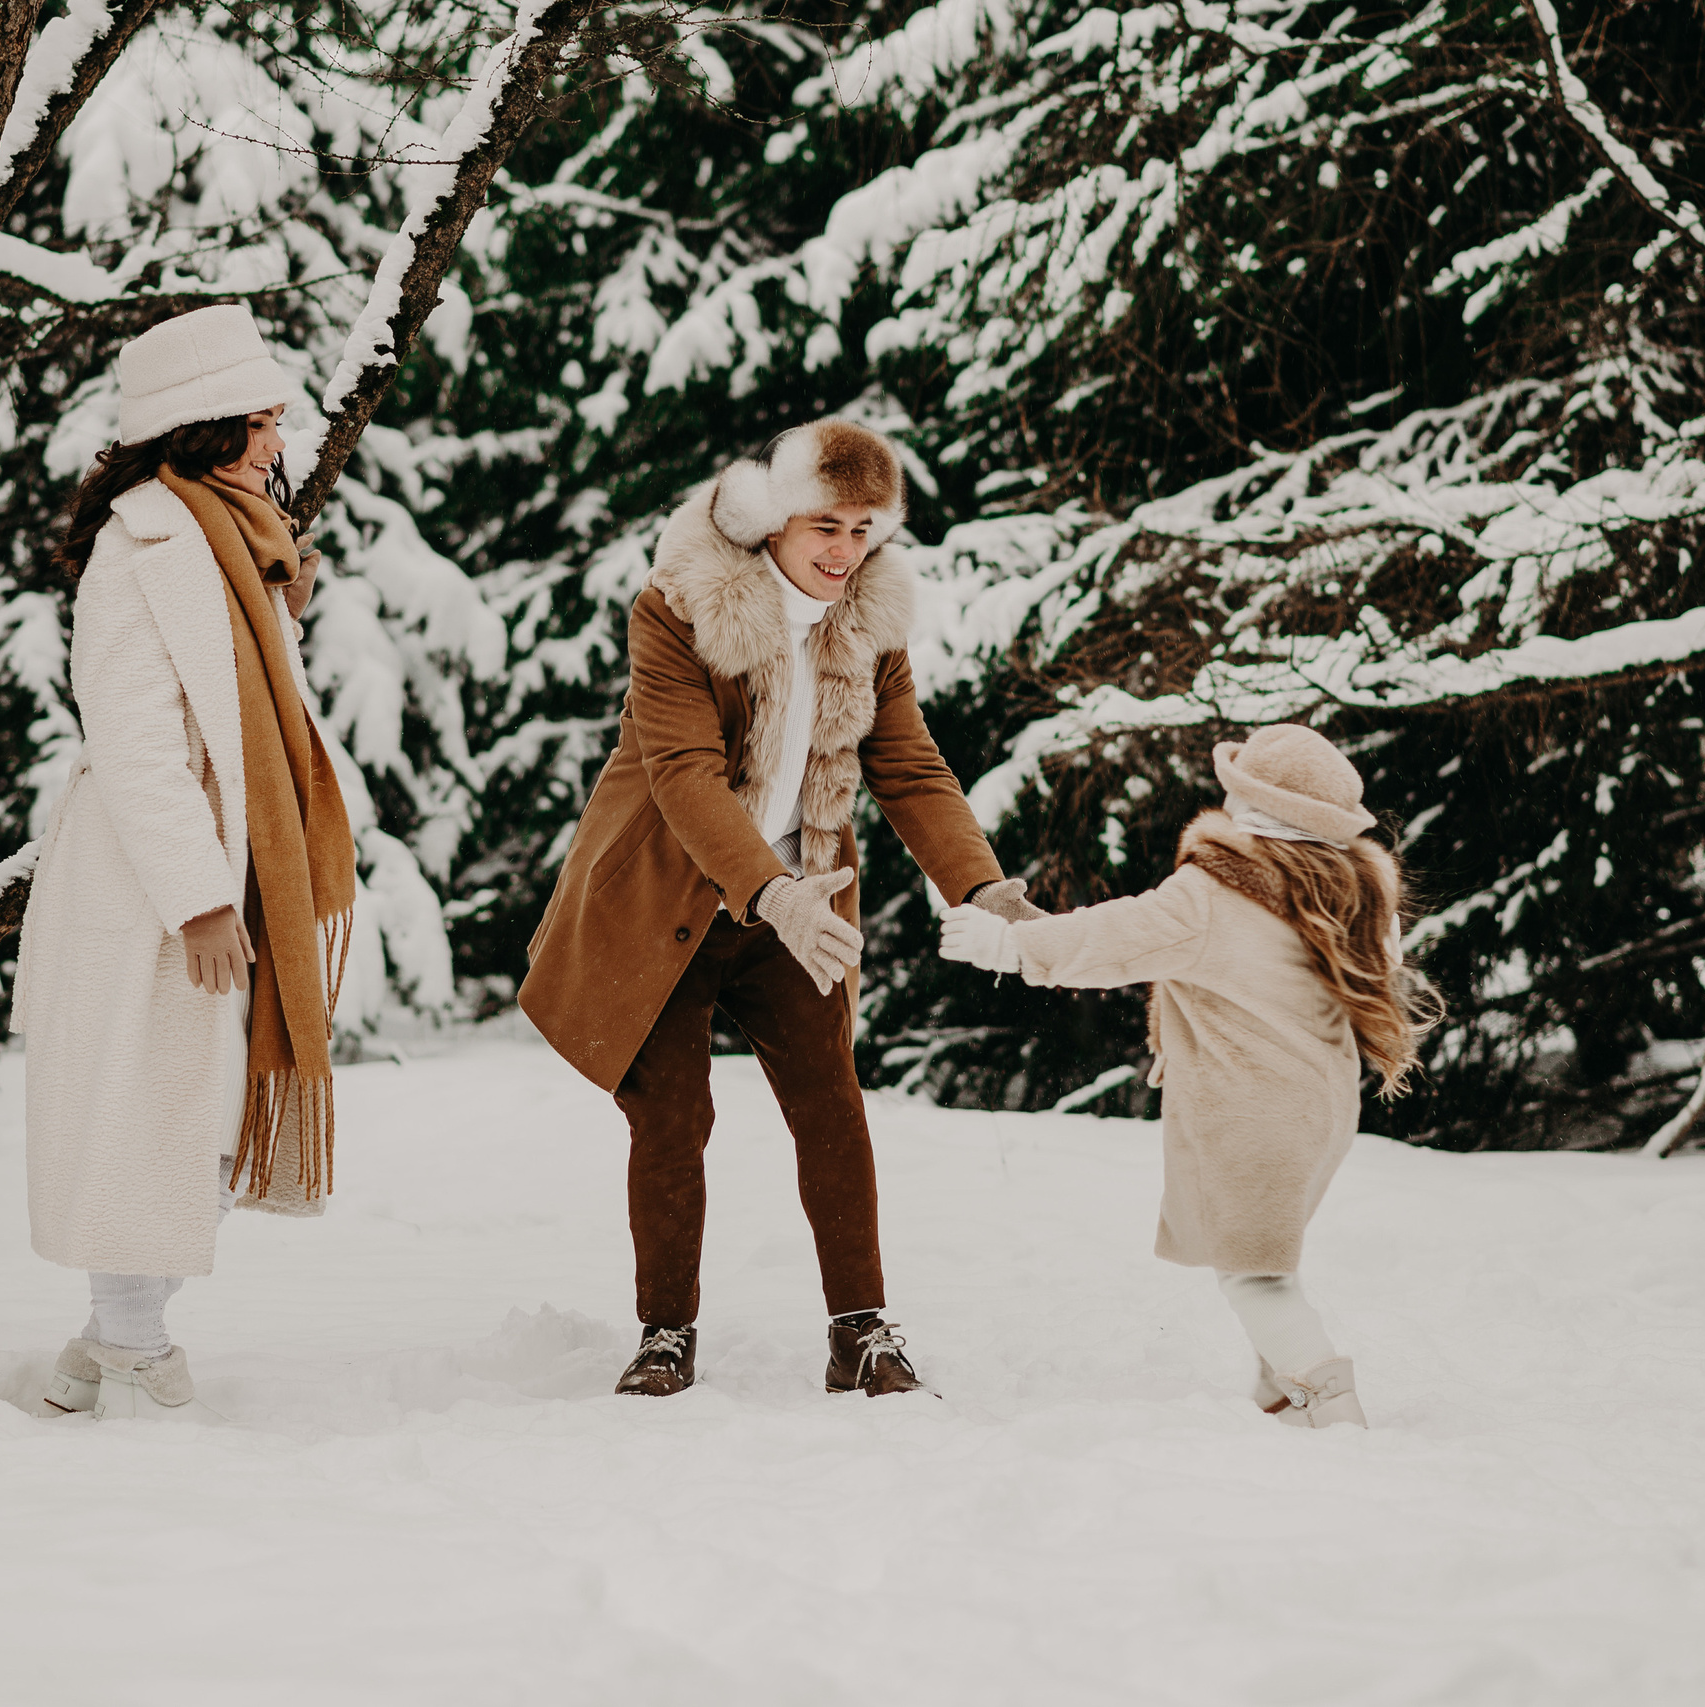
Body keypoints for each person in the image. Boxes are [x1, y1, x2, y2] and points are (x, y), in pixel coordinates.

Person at [521, 418, 1042, 1399]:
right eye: (824, 527)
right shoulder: (681, 607)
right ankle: (664, 1332)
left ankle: (862, 1333)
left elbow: (907, 764)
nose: (844, 552)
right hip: (667, 900)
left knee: (832, 1106)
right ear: (773, 524)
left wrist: (982, 886)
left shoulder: (867, 624)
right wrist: (767, 891)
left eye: (863, 530)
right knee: (673, 1120)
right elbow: (681, 773)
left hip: (808, 900)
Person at [11, 305, 355, 1421]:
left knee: (194, 1110)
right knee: (162, 1114)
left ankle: (102, 1349)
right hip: (158, 878)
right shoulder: (147, 544)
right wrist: (200, 897)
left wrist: (281, 597)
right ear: (199, 429)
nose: (275, 443)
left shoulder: (237, 541)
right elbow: (133, 736)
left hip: (233, 859)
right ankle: (133, 1353)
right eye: (257, 423)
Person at [936, 725, 1441, 1428]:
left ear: (1252, 803)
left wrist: (1011, 945)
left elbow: (1120, 935)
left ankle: (1333, 1406)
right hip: (1322, 1116)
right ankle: (1278, 1396)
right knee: (1267, 1256)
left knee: (1254, 1273)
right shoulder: (1345, 894)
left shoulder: (1215, 892)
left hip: (1254, 1116)